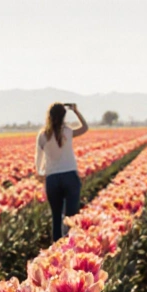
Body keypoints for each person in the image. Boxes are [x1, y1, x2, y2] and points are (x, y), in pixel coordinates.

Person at [35, 102, 89, 242]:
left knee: (56, 216)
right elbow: (85, 128)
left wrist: (41, 173)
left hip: (52, 178)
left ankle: (57, 248)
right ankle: (71, 245)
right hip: (70, 176)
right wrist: (76, 111)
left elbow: (38, 159)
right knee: (71, 217)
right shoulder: (68, 132)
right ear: (64, 116)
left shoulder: (42, 135)